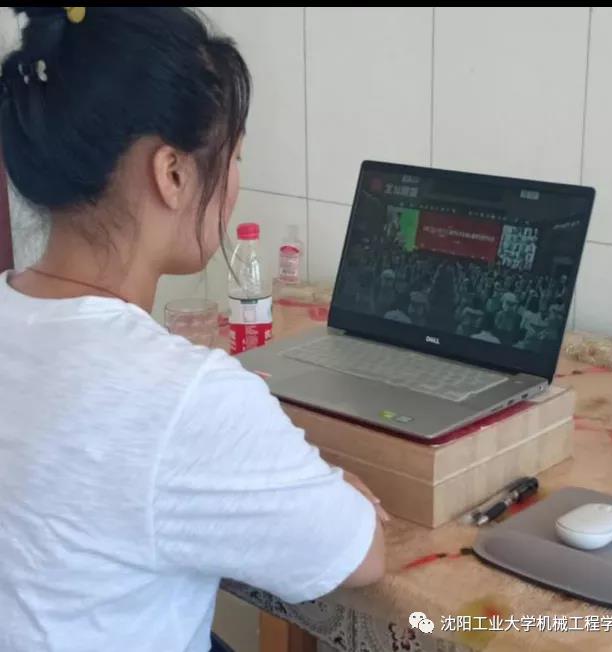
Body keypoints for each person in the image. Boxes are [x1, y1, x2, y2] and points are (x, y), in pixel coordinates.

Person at [0, 8, 386, 652]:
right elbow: (360, 554)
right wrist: (331, 485)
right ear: (172, 174)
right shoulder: (182, 396)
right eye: (235, 158)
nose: (235, 184)